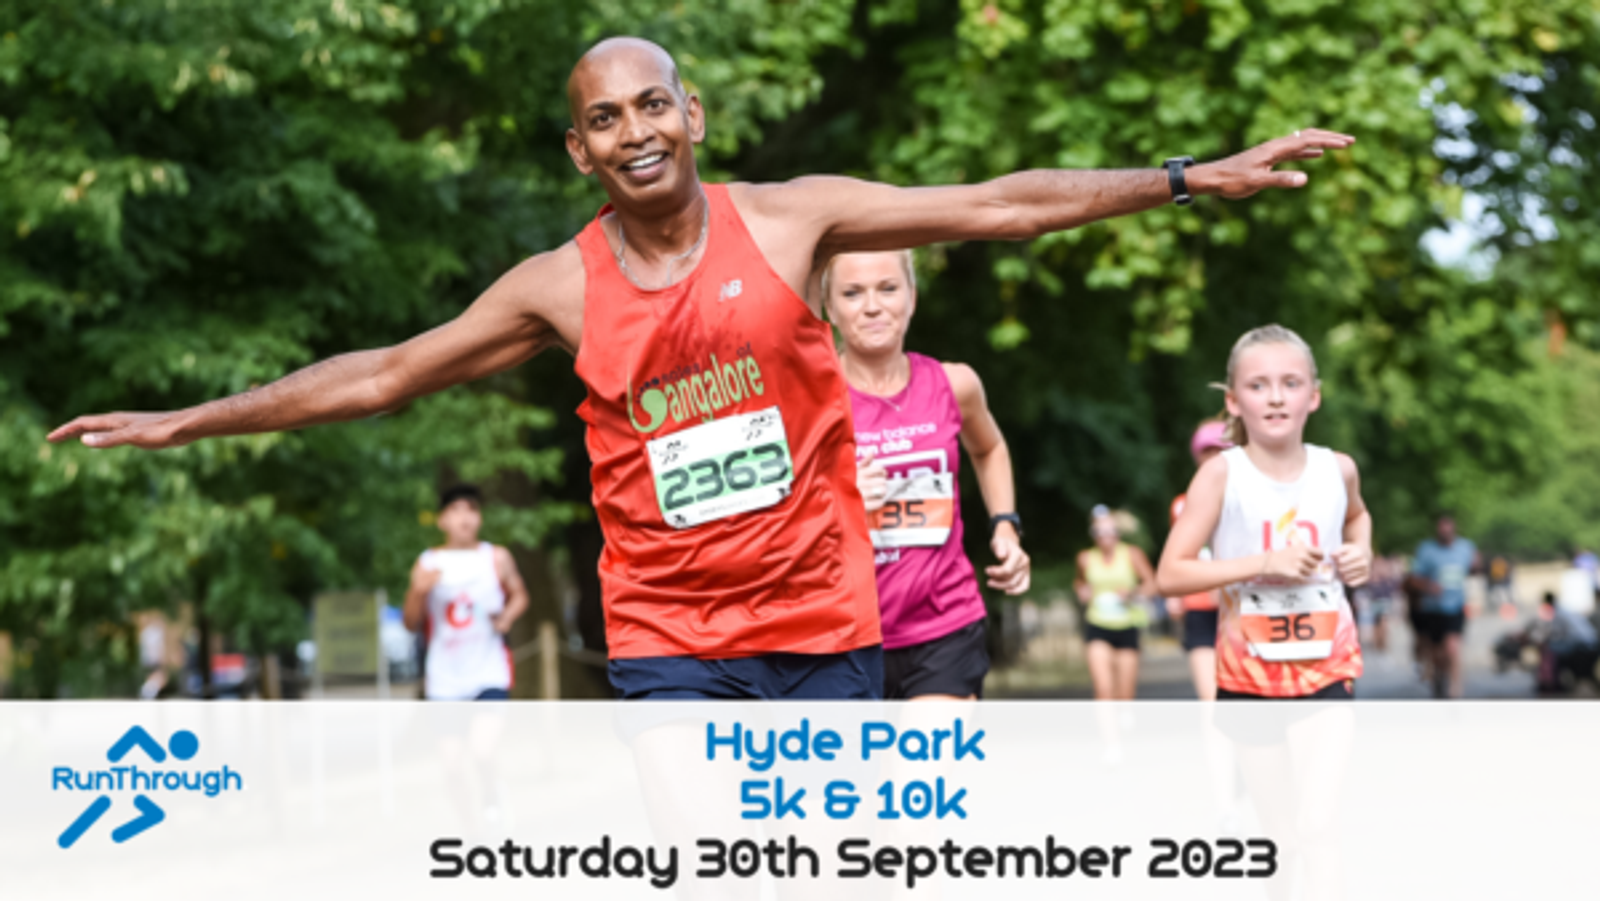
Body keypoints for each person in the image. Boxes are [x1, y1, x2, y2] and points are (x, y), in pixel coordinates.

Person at [47, 36, 1355, 700]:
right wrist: (186, 422)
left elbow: (998, 203)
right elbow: (385, 372)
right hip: (668, 631)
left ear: (693, 117)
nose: (635, 129)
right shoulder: (556, 285)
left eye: (653, 103)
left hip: (825, 616)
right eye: (604, 116)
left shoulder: (789, 221)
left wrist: (1187, 179)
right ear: (581, 153)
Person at [822, 249, 1030, 700]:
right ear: (829, 309)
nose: (873, 306)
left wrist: (1006, 527)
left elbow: (990, 447)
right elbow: (772, 511)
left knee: (922, 770)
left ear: (912, 298)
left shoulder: (954, 384)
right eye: (853, 293)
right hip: (838, 638)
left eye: (888, 288)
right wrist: (840, 494)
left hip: (944, 627)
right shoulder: (808, 400)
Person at [1156, 324, 1373, 700]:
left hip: (1329, 665)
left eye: (1291, 383)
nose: (1276, 398)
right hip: (1247, 672)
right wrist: (1266, 564)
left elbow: (1357, 517)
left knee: (1323, 762)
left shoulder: (1338, 469)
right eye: (1257, 386)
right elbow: (1171, 575)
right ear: (1233, 402)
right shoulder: (1220, 475)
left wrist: (1362, 550)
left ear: (1314, 396)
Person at [403, 484, 530, 700]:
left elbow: (520, 595)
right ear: (442, 520)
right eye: (456, 510)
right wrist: (418, 591)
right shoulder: (428, 563)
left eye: (472, 509)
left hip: (490, 673)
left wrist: (507, 617)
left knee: (487, 734)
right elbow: (410, 623)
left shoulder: (497, 557)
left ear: (479, 518)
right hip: (444, 678)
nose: (465, 517)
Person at [1167, 420, 1231, 700]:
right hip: (1200, 607)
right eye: (1206, 452)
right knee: (1210, 698)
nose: (1212, 458)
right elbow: (1178, 553)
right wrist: (1175, 594)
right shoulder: (1182, 504)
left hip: (1242, 607)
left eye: (1219, 450)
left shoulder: (1251, 498)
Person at [1074, 506, 1158, 700]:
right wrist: (1082, 590)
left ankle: (1123, 725)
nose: (1105, 536)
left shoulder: (1132, 554)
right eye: (1099, 532)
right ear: (1093, 534)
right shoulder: (1085, 558)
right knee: (1103, 689)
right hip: (1097, 625)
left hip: (1127, 625)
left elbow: (1152, 584)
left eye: (1110, 531)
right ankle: (1108, 731)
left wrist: (1132, 593)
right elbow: (1079, 582)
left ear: (1118, 533)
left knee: (1125, 694)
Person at [1407, 513, 1480, 699]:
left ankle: (1455, 689)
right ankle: (1438, 682)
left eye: (1448, 527)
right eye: (1441, 527)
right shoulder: (1426, 550)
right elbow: (1413, 579)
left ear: (1454, 528)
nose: (1445, 531)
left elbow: (1474, 567)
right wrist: (1429, 586)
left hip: (1455, 607)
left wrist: (1478, 565)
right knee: (1437, 652)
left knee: (1452, 647)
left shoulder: (1465, 548)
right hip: (1432, 609)